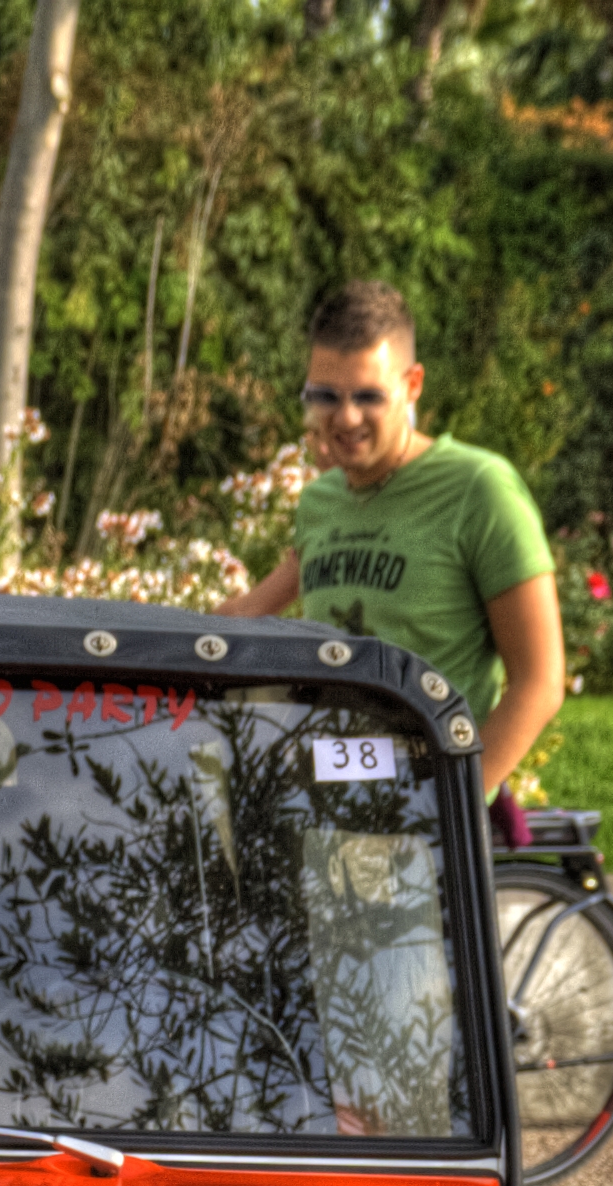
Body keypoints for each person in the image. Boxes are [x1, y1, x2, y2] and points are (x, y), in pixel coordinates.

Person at [215, 281, 565, 841]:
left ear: (412, 385)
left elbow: (541, 680)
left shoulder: (479, 489)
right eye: (325, 396)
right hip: (328, 792)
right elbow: (248, 614)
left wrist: (450, 806)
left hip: (420, 805)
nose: (345, 417)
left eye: (368, 397)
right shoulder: (322, 501)